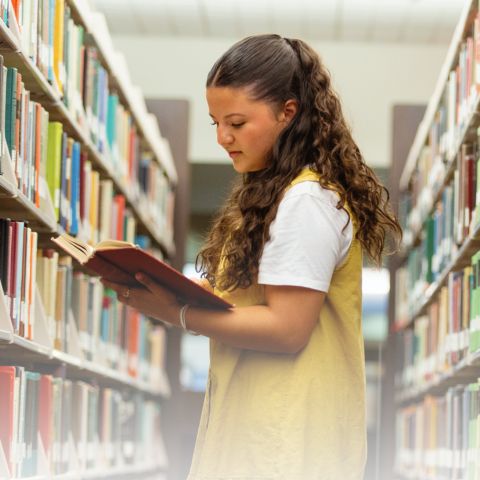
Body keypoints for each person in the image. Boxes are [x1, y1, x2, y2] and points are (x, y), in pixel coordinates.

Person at [103, 34, 401, 479]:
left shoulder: (308, 201)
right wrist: (195, 293)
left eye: (237, 123)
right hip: (263, 436)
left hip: (287, 445)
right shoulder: (274, 196)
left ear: (288, 112)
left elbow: (287, 328)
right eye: (215, 123)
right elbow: (262, 304)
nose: (223, 137)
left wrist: (180, 312)